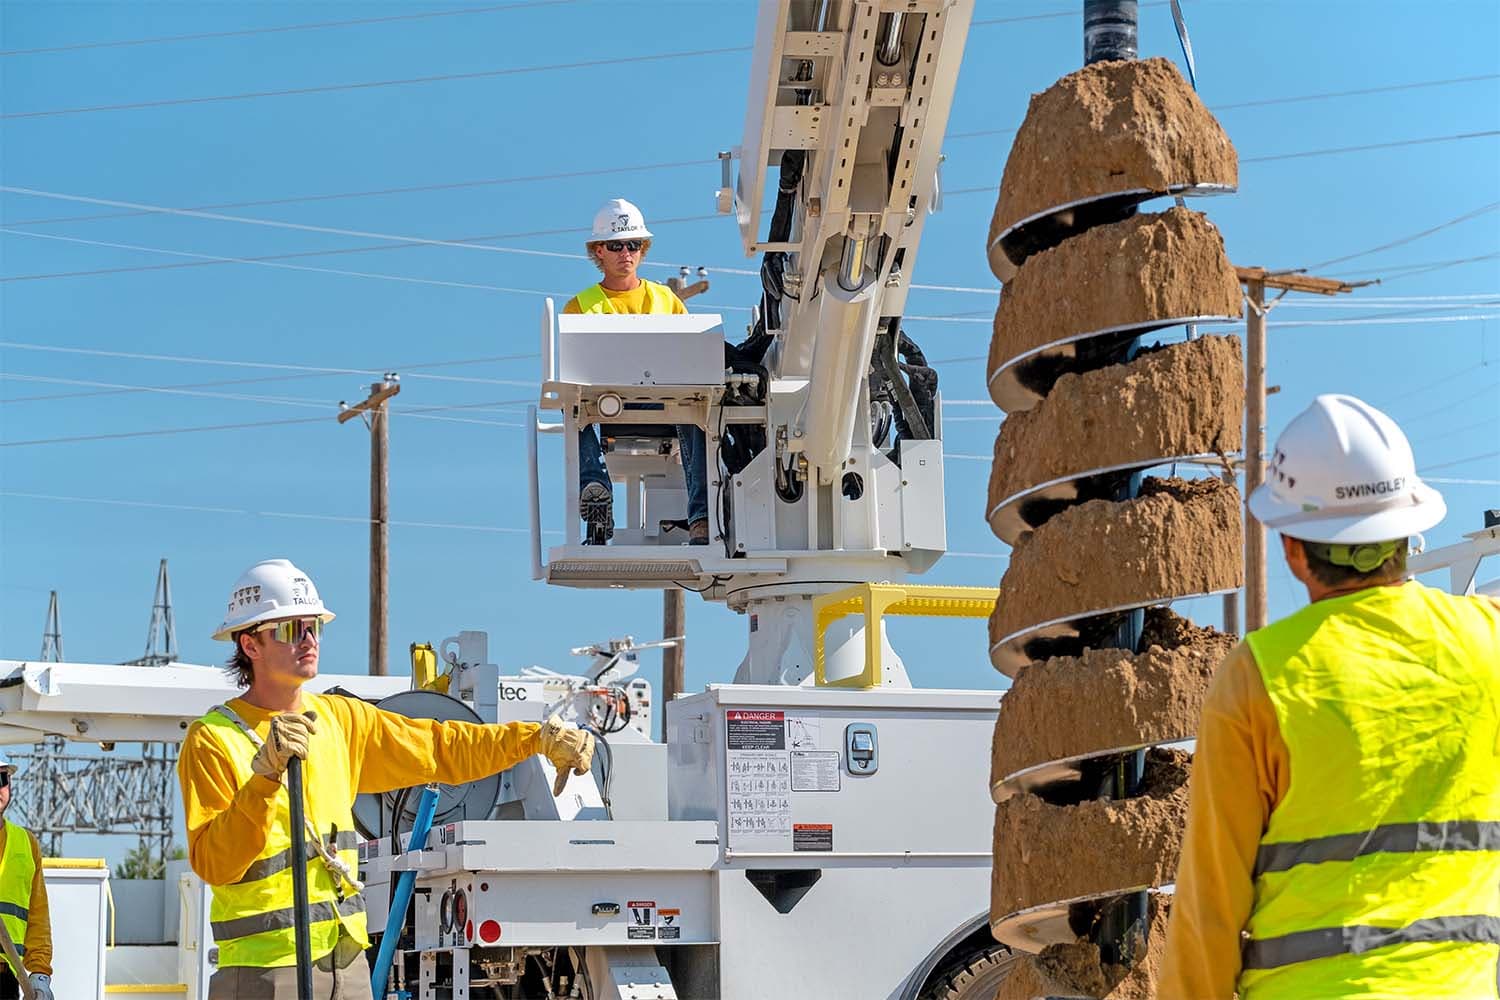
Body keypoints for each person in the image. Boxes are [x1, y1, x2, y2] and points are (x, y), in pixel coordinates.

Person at [1160, 394, 1500, 998]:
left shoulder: (1259, 676)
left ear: (1293, 550)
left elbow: (1210, 904)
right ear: (1408, 531)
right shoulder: (1489, 641)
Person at [178, 559, 596, 999]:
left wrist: (534, 738)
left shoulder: (339, 721)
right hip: (264, 972)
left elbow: (440, 747)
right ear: (250, 644)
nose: (307, 639)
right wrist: (263, 778)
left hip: (346, 962)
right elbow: (215, 864)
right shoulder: (215, 739)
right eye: (289, 629)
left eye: (313, 627)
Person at [565, 197, 710, 546]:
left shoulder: (666, 300)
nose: (625, 253)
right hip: (609, 407)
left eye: (633, 244)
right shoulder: (581, 307)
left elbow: (690, 357)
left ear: (642, 249)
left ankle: (702, 516)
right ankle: (597, 495)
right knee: (575, 406)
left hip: (665, 405)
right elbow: (572, 368)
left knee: (699, 413)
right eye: (616, 245)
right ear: (599, 251)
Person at [0, 754, 51, 1000]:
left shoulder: (26, 843)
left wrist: (40, 974)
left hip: (6, 976)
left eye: (2, 779)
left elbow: (37, 916)